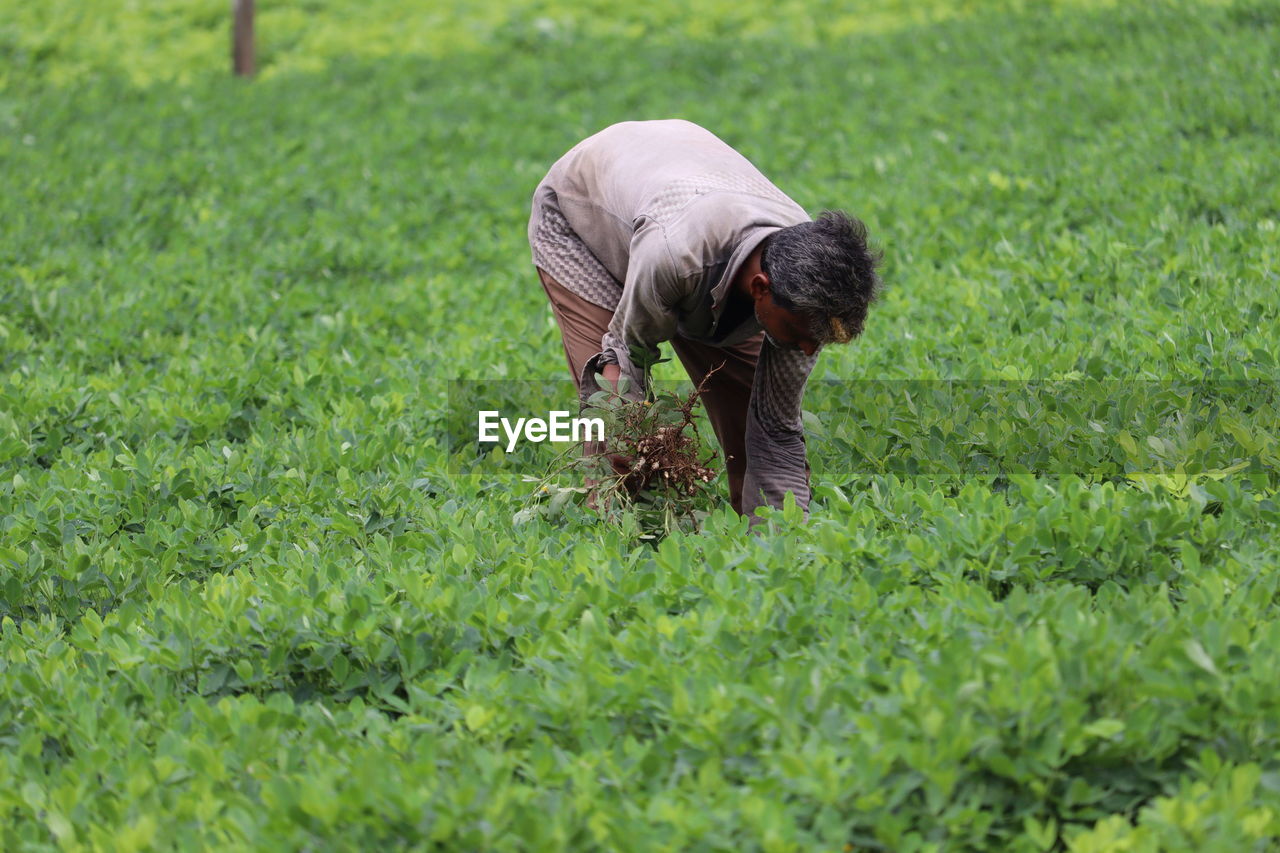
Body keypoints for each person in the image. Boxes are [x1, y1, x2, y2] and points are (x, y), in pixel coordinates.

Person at [528, 119, 881, 520]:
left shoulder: (805, 280)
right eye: (803, 335)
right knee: (619, 423)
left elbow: (778, 430)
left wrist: (789, 537)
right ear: (761, 288)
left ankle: (763, 543)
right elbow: (625, 357)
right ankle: (615, 541)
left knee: (758, 423)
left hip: (674, 199)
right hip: (581, 213)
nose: (807, 349)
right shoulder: (675, 255)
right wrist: (627, 448)